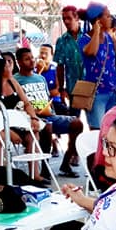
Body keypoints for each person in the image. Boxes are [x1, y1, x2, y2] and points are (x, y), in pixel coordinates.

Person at [14, 47, 82, 176]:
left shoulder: (40, 78)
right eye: (27, 59)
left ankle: (66, 163)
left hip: (49, 114)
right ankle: (45, 169)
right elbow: (16, 105)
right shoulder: (16, 80)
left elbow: (47, 98)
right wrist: (34, 111)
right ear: (19, 62)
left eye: (32, 58)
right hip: (31, 118)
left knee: (77, 123)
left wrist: (48, 108)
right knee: (47, 126)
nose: (32, 61)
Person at [79, 2, 116, 129]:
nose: (111, 18)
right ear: (98, 20)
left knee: (111, 129)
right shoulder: (84, 39)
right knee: (97, 131)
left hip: (112, 91)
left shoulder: (109, 37)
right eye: (107, 16)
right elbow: (92, 51)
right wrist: (96, 31)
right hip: (96, 93)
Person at [54, 5, 85, 114]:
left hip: (91, 85)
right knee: (73, 121)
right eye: (64, 19)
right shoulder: (61, 41)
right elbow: (60, 67)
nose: (66, 22)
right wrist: (61, 89)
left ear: (77, 18)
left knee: (94, 123)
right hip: (73, 87)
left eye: (69, 18)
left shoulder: (89, 36)